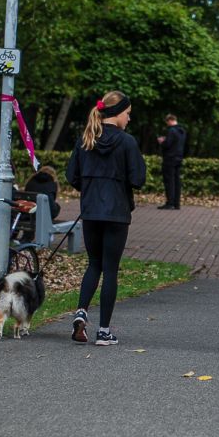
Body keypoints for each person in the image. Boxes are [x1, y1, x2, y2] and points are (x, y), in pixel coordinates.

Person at [66, 91, 146, 346]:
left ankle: (81, 312)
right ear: (118, 113)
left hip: (90, 212)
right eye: (128, 114)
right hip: (116, 214)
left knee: (93, 264)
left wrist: (90, 190)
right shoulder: (127, 142)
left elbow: (71, 175)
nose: (129, 119)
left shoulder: (86, 139)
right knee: (110, 270)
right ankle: (103, 331)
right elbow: (138, 179)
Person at [157, 113, 186, 209]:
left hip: (170, 159)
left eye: (167, 122)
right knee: (177, 181)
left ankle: (170, 203)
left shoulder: (171, 131)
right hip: (179, 158)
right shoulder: (182, 131)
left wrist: (162, 141)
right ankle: (176, 203)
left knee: (169, 181)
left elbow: (168, 144)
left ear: (169, 120)